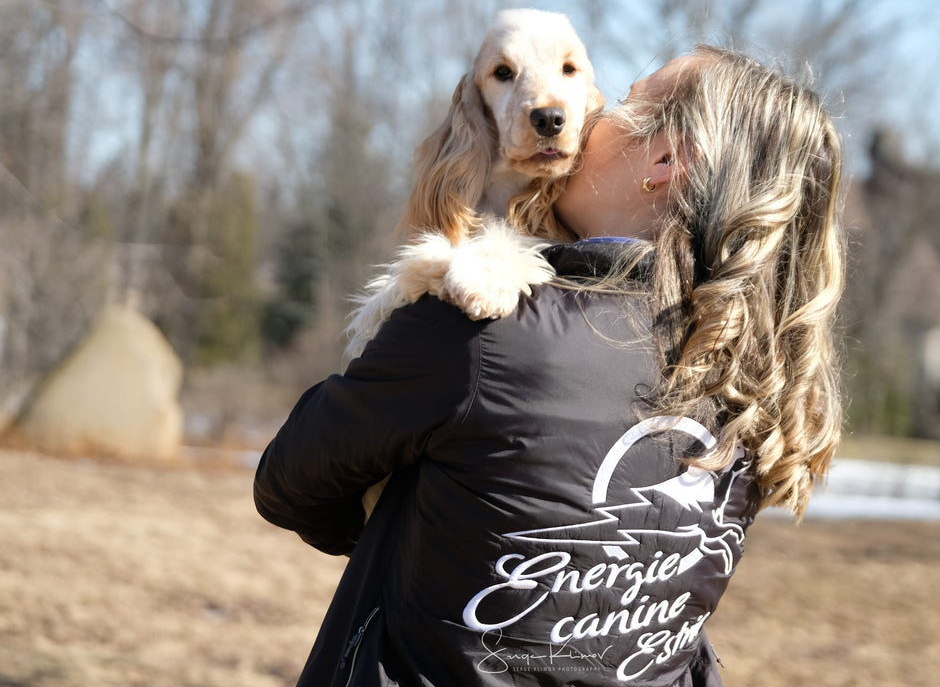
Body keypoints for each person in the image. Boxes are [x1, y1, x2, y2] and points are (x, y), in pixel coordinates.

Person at [254, 45, 846, 686]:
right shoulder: (756, 377)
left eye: (623, 101)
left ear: (666, 160)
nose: (587, 115)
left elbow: (291, 481)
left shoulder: (482, 330)